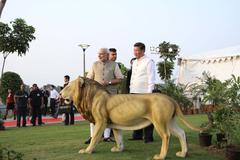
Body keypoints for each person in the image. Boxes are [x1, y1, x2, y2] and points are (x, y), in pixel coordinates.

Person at [85, 48, 123, 144]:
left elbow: (120, 79)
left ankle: (107, 137)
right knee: (93, 115)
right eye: (99, 54)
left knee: (109, 115)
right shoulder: (94, 64)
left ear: (107, 54)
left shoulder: (114, 64)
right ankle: (92, 136)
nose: (99, 56)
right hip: (96, 95)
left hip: (110, 94)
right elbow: (88, 79)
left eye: (101, 54)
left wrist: (108, 82)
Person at [129, 42, 156, 143]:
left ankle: (148, 137)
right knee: (135, 114)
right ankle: (137, 135)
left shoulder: (149, 61)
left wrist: (149, 94)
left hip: (144, 93)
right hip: (134, 92)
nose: (135, 53)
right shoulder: (134, 62)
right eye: (134, 50)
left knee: (148, 115)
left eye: (137, 51)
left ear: (143, 50)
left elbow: (151, 77)